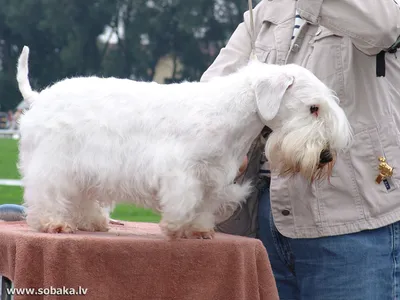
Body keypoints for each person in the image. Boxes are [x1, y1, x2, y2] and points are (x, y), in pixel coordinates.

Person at [200, 1, 400, 299]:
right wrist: (226, 145)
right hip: (267, 221)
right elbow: (212, 93)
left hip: (353, 225)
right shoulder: (267, 9)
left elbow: (385, 28)